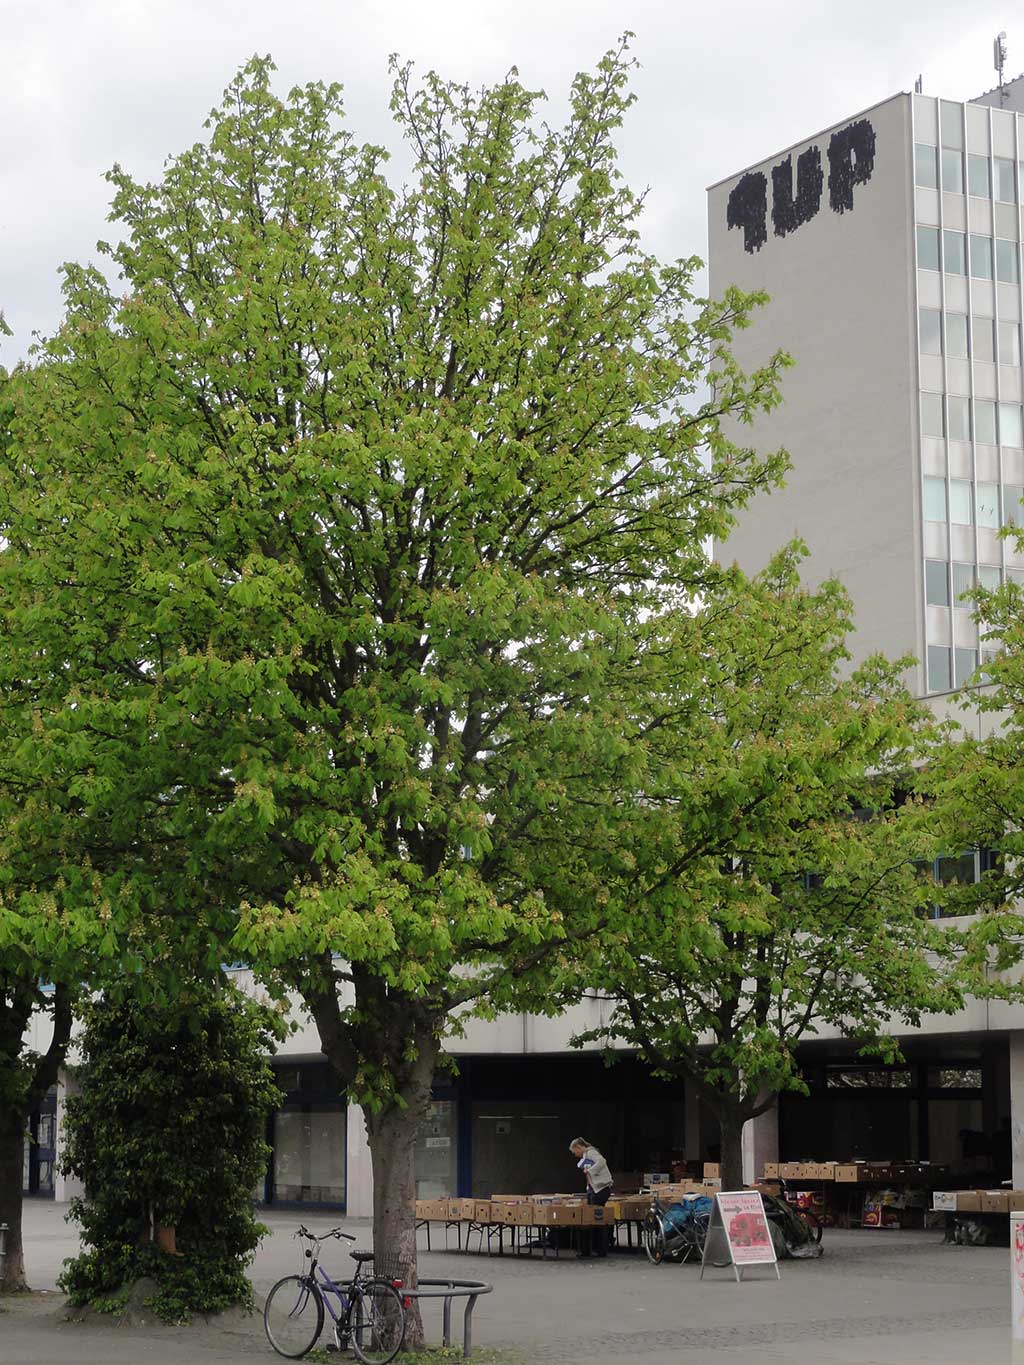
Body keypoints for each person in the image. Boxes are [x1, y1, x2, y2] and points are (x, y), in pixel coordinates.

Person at [569, 1136, 613, 1259]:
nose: (575, 1154)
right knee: (593, 1219)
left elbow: (602, 1161)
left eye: (574, 1151)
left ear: (578, 1147)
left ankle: (599, 1249)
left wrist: (590, 1171)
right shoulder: (585, 1156)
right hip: (593, 1189)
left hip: (600, 1189)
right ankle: (593, 1249)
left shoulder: (591, 1153)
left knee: (596, 1219)